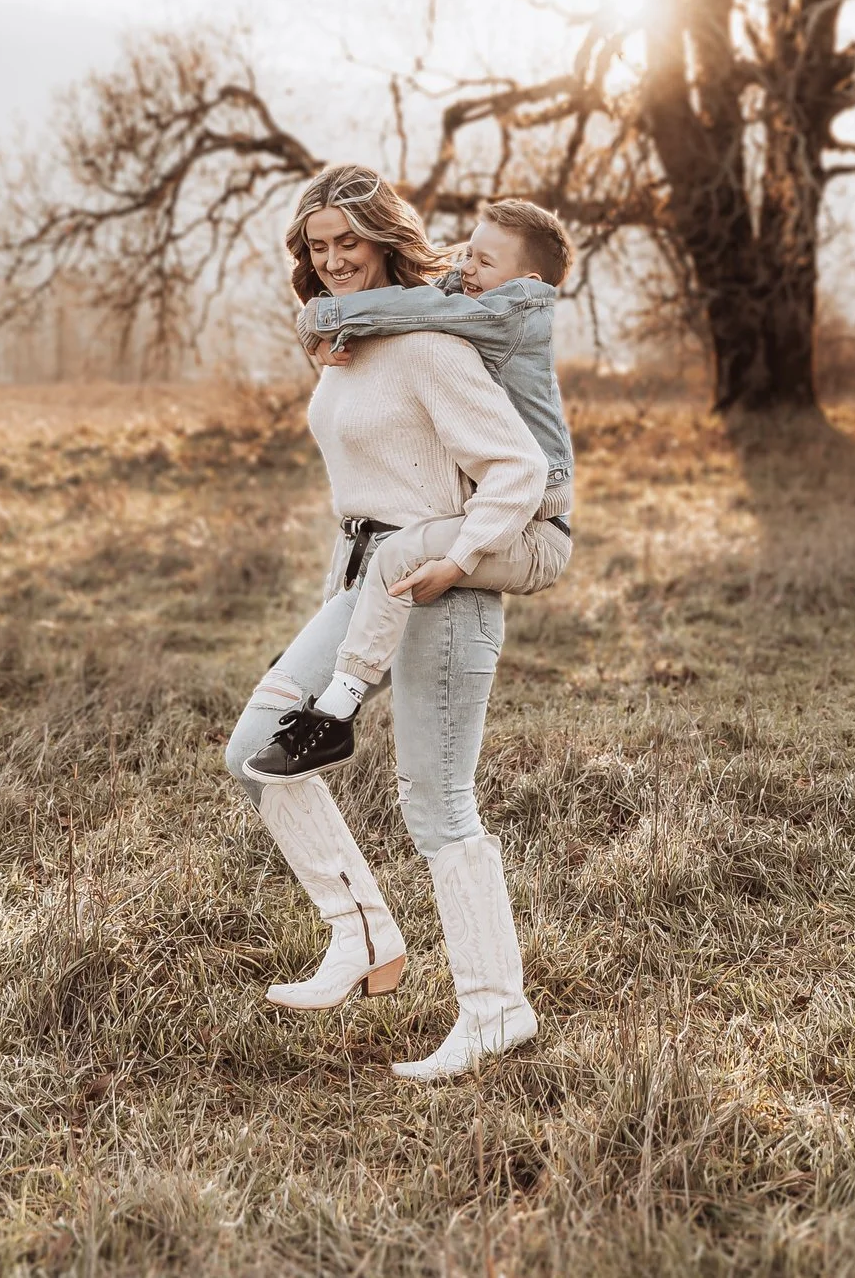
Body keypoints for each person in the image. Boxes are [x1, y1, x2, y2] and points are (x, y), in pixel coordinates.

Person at [224, 165, 545, 1082]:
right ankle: (361, 933)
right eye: (317, 249)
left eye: (348, 246)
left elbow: (516, 467)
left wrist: (459, 553)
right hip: (361, 581)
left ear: (385, 243)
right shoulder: (352, 344)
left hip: (439, 585)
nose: (331, 263)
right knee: (257, 746)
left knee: (437, 804)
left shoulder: (431, 343)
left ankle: (495, 1008)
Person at [243, 198, 577, 783]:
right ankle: (330, 687)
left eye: (349, 242)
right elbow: (430, 290)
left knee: (439, 804)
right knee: (252, 758)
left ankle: (336, 711)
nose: (467, 268)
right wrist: (318, 321)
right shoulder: (469, 295)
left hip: (528, 522)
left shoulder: (506, 313)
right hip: (446, 538)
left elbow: (415, 306)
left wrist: (322, 317)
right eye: (468, 252)